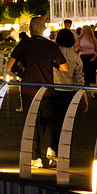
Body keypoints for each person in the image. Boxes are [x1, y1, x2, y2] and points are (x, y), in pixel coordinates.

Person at [8, 16, 68, 165]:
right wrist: (51, 65)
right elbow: (64, 67)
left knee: (31, 122)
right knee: (48, 121)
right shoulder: (51, 45)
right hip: (47, 90)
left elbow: (10, 65)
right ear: (43, 29)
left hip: (28, 89)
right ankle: (50, 150)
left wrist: (22, 71)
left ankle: (35, 158)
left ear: (30, 28)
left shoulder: (24, 44)